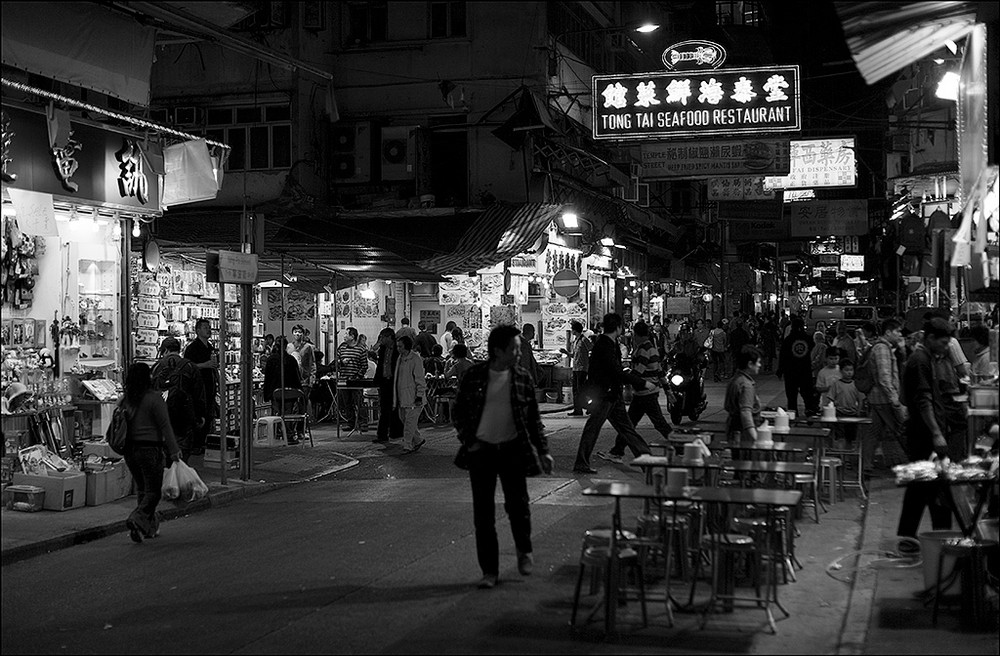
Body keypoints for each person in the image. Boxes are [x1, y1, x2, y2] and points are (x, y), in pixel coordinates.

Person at [453, 324, 553, 589]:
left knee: (518, 505)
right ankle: (490, 571)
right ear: (498, 351)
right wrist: (469, 440)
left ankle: (524, 550)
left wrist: (543, 451)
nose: (519, 353)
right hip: (482, 450)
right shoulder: (475, 376)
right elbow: (459, 411)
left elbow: (533, 419)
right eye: (515, 349)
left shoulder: (522, 378)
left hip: (512, 449)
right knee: (483, 514)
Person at [896, 318, 957, 553]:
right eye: (943, 342)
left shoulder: (925, 358)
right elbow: (923, 400)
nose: (946, 347)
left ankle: (919, 536)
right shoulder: (920, 360)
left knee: (923, 487)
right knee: (932, 488)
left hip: (924, 433)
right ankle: (939, 537)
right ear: (930, 338)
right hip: (924, 435)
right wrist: (936, 433)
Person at [572, 313, 654, 474]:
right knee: (594, 428)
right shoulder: (605, 345)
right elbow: (614, 370)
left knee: (626, 429)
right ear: (618, 327)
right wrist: (641, 382)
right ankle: (581, 463)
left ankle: (647, 460)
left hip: (612, 394)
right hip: (605, 395)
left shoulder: (609, 343)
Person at [120, 362, 182, 543]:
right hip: (150, 449)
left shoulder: (126, 400)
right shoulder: (154, 399)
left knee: (142, 489)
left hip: (130, 450)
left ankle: (145, 528)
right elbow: (165, 426)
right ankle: (137, 518)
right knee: (154, 491)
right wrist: (174, 450)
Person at [601, 321, 672, 463]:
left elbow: (639, 372)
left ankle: (682, 446)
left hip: (646, 393)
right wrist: (667, 390)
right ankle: (617, 451)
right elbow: (659, 371)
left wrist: (624, 376)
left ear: (637, 334)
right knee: (629, 424)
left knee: (657, 423)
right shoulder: (650, 347)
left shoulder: (644, 349)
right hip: (644, 393)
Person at [151, 336, 206, 463]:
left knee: (162, 458)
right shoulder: (190, 367)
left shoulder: (156, 367)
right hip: (184, 420)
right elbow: (199, 394)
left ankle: (166, 479)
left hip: (160, 418)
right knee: (181, 459)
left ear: (165, 351)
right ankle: (176, 479)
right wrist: (200, 415)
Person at [866, 319, 909, 472]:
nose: (900, 335)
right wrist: (894, 399)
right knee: (901, 428)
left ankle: (866, 464)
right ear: (888, 332)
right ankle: (915, 462)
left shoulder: (887, 348)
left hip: (878, 398)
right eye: (897, 331)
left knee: (874, 431)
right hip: (884, 398)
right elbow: (884, 377)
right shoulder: (882, 349)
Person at [183, 318, 218, 458]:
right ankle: (195, 444)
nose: (208, 330)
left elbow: (213, 366)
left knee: (208, 413)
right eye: (204, 327)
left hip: (209, 385)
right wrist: (205, 365)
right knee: (199, 413)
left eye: (209, 327)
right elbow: (188, 367)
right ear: (197, 331)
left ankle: (202, 441)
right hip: (197, 387)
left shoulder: (210, 347)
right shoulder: (192, 348)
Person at [263, 336, 303, 444]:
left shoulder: (271, 360)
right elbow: (297, 377)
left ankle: (277, 435)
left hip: (275, 392)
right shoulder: (291, 360)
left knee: (277, 413)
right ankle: (289, 435)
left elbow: (268, 378)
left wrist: (267, 394)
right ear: (285, 346)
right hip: (290, 393)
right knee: (288, 414)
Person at [776, 316, 819, 416]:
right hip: (805, 370)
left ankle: (793, 415)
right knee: (807, 394)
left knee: (791, 396)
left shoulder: (788, 340)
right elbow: (813, 351)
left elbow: (783, 356)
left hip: (791, 371)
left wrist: (780, 369)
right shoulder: (808, 339)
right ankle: (810, 412)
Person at [822, 359, 866, 447]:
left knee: (851, 437)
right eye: (846, 370)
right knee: (840, 436)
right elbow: (830, 399)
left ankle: (848, 457)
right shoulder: (836, 384)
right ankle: (841, 455)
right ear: (841, 371)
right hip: (839, 413)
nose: (849, 373)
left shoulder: (856, 384)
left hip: (852, 414)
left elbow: (861, 400)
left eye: (851, 370)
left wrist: (859, 411)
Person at [371, 327, 404, 443]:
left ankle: (396, 432)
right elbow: (380, 365)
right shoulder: (383, 349)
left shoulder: (397, 348)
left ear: (389, 337)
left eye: (383, 337)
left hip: (395, 381)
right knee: (384, 408)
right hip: (385, 381)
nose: (381, 340)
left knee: (395, 407)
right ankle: (382, 434)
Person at [394, 335, 426, 453]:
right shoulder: (400, 358)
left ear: (406, 346)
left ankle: (407, 445)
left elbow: (420, 379)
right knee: (405, 420)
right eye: (397, 346)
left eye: (400, 346)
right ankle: (418, 440)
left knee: (409, 423)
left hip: (413, 398)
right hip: (403, 397)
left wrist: (419, 395)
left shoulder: (415, 359)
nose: (398, 349)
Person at [724, 345, 763, 443]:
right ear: (750, 364)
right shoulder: (746, 385)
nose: (760, 365)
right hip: (743, 434)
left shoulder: (735, 379)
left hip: (733, 429)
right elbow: (746, 413)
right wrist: (755, 438)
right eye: (758, 362)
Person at [336, 327, 369, 431]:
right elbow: (336, 363)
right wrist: (341, 362)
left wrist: (357, 376)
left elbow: (364, 366)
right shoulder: (341, 348)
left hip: (356, 381)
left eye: (346, 334)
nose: (344, 336)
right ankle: (350, 422)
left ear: (352, 336)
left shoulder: (361, 349)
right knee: (347, 403)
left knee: (359, 401)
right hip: (343, 380)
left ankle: (363, 423)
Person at [561, 320, 591, 416]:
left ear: (575, 330)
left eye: (572, 329)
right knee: (575, 390)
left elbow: (591, 350)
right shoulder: (575, 341)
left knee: (581, 390)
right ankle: (577, 410)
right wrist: (566, 352)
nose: (571, 331)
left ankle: (589, 407)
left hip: (582, 369)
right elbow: (574, 355)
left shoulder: (584, 340)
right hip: (576, 368)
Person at [291, 324, 317, 408]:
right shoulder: (289, 347)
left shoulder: (308, 347)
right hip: (292, 379)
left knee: (303, 401)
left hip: (304, 379)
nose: (297, 334)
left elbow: (312, 363)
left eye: (300, 332)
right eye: (295, 332)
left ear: (303, 334)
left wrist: (312, 377)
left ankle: (303, 420)